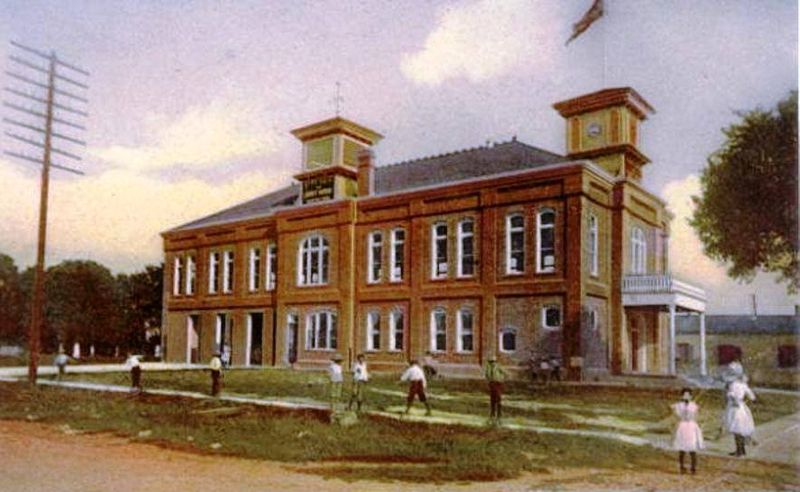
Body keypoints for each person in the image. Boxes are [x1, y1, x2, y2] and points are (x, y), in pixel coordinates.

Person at [672, 388, 704, 474]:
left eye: (688, 395)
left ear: (691, 396)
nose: (686, 397)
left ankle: (693, 468)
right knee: (682, 448)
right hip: (682, 426)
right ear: (681, 396)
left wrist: (691, 415)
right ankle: (681, 467)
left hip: (691, 426)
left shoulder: (694, 405)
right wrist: (681, 414)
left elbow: (696, 416)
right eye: (684, 395)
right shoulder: (678, 405)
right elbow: (676, 415)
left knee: (692, 448)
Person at [726, 374, 756, 457]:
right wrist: (736, 400)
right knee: (737, 429)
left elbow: (751, 395)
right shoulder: (735, 384)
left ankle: (740, 450)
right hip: (736, 406)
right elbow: (731, 394)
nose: (746, 380)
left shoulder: (743, 385)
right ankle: (740, 450)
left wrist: (750, 399)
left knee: (738, 428)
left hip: (738, 407)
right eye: (745, 378)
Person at [484, 356, 507, 423]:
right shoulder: (488, 368)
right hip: (492, 384)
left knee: (498, 398)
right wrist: (489, 381)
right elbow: (487, 375)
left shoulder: (499, 367)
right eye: (491, 362)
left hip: (498, 383)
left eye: (493, 361)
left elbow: (505, 373)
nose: (492, 363)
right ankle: (492, 413)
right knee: (492, 399)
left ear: (496, 362)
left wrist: (501, 379)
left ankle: (499, 414)